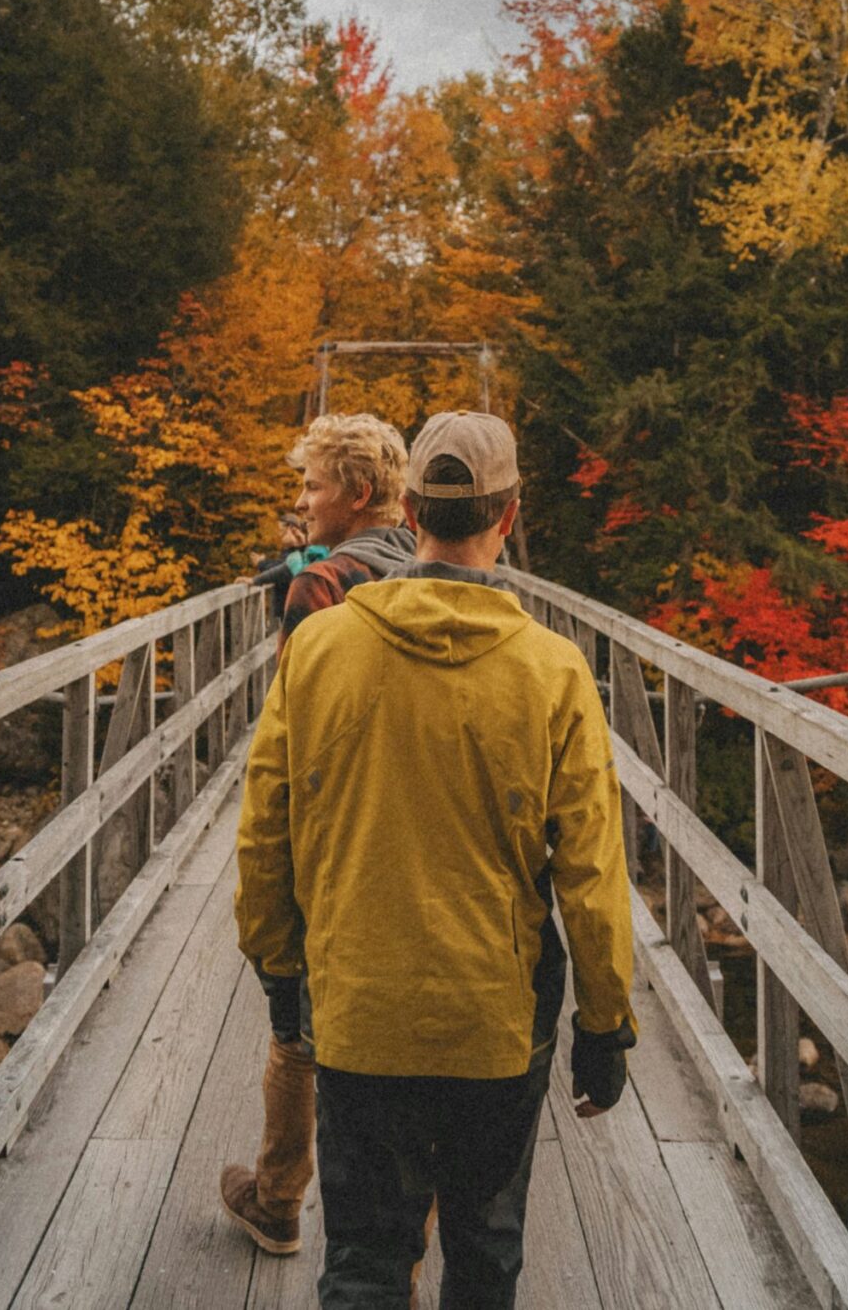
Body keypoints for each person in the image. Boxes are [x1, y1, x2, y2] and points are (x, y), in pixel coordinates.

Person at [235, 411, 636, 1307]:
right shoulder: (555, 669)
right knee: (485, 1253)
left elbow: (266, 826)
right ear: (511, 511)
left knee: (366, 1263)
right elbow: (592, 870)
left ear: (408, 508)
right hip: (496, 1020)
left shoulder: (320, 647)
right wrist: (604, 1022)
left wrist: (277, 968)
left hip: (358, 1008)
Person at [221, 412, 417, 1256]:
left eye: (311, 486)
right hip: (417, 827)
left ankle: (277, 1199)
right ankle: (404, 1225)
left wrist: (267, 906)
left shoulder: (318, 587)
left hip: (333, 833)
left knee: (296, 1029)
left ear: (358, 495)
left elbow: (290, 741)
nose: (301, 502)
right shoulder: (444, 565)